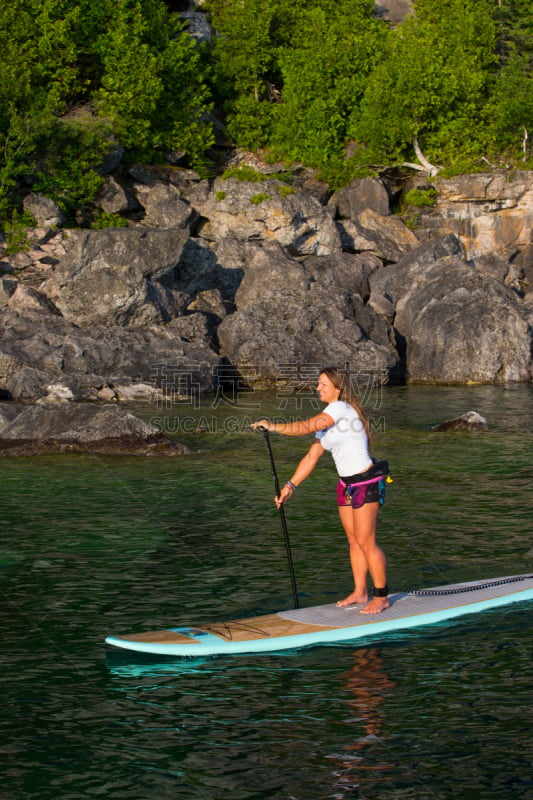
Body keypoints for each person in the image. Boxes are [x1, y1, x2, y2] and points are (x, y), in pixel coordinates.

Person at [251, 366, 390, 614]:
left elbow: (303, 427)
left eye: (323, 384)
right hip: (346, 485)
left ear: (338, 387)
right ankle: (360, 592)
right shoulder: (327, 420)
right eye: (318, 383)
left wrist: (272, 426)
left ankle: (381, 597)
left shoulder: (340, 409)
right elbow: (312, 456)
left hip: (366, 483)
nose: (318, 388)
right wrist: (290, 486)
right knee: (353, 540)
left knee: (367, 542)